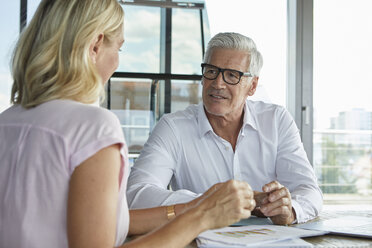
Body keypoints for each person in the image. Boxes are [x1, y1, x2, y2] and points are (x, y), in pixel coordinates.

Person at [0, 1, 256, 248]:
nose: (117, 62)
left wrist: (199, 206)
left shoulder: (7, 121)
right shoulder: (93, 127)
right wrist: (201, 217)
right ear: (95, 45)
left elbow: (101, 221)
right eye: (118, 49)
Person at [127, 32, 323, 225]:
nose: (218, 83)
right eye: (211, 71)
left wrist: (289, 211)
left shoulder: (276, 120)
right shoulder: (173, 127)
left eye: (232, 75)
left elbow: (308, 190)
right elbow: (136, 194)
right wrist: (212, 202)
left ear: (252, 86)